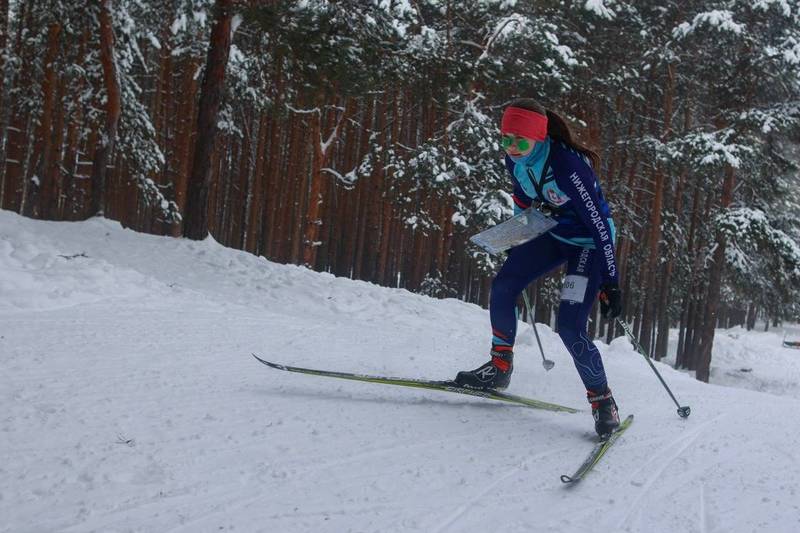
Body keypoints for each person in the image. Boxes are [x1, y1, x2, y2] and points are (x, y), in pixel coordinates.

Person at [454, 98, 624, 436]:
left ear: (539, 136)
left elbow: (599, 226)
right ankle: (500, 366)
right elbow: (522, 198)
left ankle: (603, 402)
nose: (512, 147)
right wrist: (517, 236)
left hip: (588, 244)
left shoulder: (566, 166)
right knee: (504, 285)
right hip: (550, 234)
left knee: (569, 326)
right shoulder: (514, 160)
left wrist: (611, 281)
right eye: (506, 138)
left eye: (520, 140)